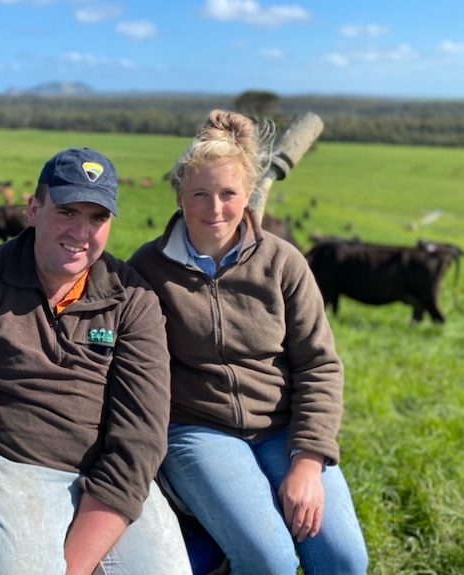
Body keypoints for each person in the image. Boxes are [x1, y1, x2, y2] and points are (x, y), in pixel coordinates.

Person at [0, 147, 191, 575]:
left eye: (97, 218)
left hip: (109, 480)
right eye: (67, 212)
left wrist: (74, 566)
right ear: (33, 209)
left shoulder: (133, 299)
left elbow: (141, 435)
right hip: (10, 468)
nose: (81, 232)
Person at [128, 110, 369, 575]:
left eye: (227, 194)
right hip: (197, 430)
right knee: (270, 560)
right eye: (200, 193)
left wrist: (308, 460)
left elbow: (319, 364)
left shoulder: (283, 262)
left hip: (283, 429)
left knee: (344, 559)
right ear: (179, 195)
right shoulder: (149, 269)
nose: (214, 208)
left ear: (247, 196)